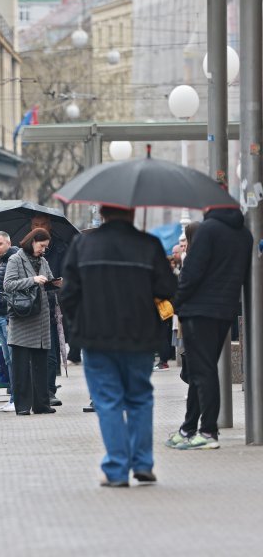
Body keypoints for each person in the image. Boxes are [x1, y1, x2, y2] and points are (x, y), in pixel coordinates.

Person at [60, 205, 177, 487]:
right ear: (133, 213)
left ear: (102, 213)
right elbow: (168, 290)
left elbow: (68, 294)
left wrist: (79, 326)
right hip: (139, 336)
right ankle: (143, 463)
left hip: (96, 337)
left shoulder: (83, 245)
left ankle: (116, 468)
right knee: (139, 398)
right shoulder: (148, 244)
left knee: (108, 401)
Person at [166, 208, 252, 450]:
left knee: (202, 372)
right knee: (200, 369)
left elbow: (192, 272)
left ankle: (208, 431)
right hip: (224, 310)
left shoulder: (208, 230)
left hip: (198, 309)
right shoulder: (244, 234)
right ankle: (188, 427)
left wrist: (176, 302)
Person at [3, 228, 57, 416]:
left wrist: (55, 283)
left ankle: (42, 404)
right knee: (21, 366)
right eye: (42, 246)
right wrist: (32, 280)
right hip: (23, 318)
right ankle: (23, 406)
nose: (43, 250)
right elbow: (8, 285)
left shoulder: (43, 261)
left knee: (41, 364)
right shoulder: (15, 259)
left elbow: (48, 281)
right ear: (32, 241)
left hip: (41, 318)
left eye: (46, 247)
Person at [30, 213, 68, 407]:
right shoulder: (23, 253)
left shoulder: (60, 249)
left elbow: (67, 274)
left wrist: (57, 284)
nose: (39, 227)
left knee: (50, 350)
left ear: (50, 226)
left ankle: (49, 389)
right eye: (35, 225)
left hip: (52, 305)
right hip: (29, 308)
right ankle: (34, 390)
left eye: (42, 224)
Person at [0, 231, 18, 412]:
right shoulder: (2, 262)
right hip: (0, 315)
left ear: (8, 242)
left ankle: (17, 398)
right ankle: (13, 397)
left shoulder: (14, 259)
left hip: (8, 316)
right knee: (8, 360)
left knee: (13, 359)